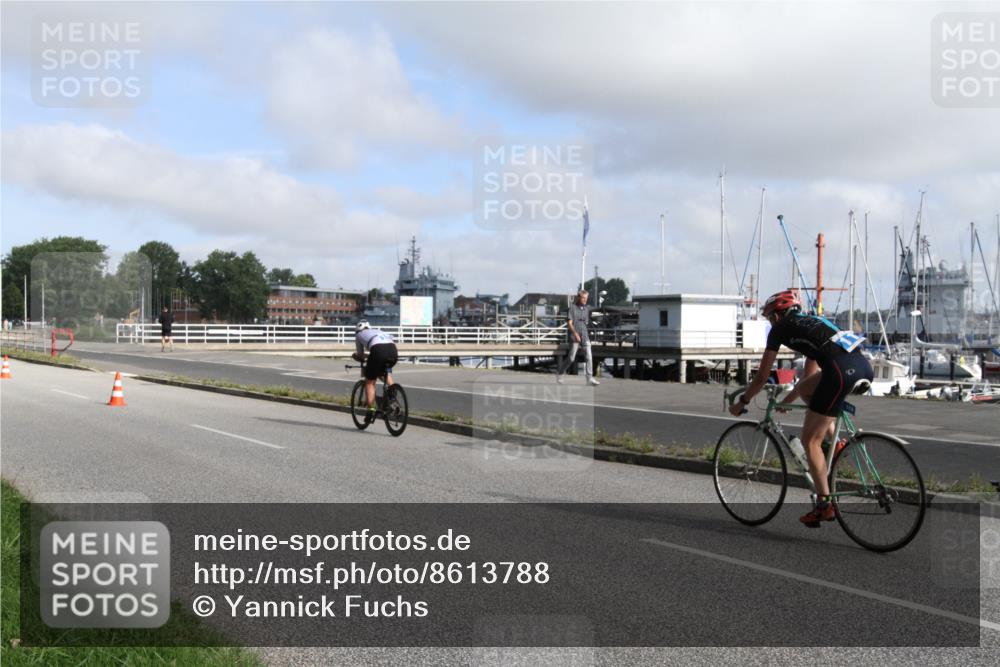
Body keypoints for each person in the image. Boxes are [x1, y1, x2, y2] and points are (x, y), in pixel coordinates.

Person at [729, 290, 873, 528]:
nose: (770, 323)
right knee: (810, 394)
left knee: (810, 442)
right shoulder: (813, 322)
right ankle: (835, 444)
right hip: (862, 366)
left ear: (778, 315)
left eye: (769, 318)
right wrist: (789, 399)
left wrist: (742, 401)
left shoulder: (780, 329)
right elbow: (810, 373)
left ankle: (824, 505)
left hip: (838, 372)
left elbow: (763, 376)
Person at [353, 321, 399, 423]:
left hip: (378, 351)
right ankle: (392, 398)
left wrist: (355, 356)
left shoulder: (359, 335)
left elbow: (360, 354)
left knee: (370, 382)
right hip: (393, 351)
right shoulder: (378, 331)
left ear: (358, 330)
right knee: (384, 373)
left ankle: (370, 411)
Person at [556, 289, 599, 386]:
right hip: (574, 336)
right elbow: (569, 323)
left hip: (585, 335)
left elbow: (585, 323)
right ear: (579, 297)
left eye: (586, 298)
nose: (585, 300)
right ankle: (561, 373)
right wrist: (575, 333)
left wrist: (586, 334)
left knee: (589, 356)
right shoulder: (572, 308)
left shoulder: (587, 309)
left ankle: (589, 378)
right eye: (583, 298)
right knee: (571, 358)